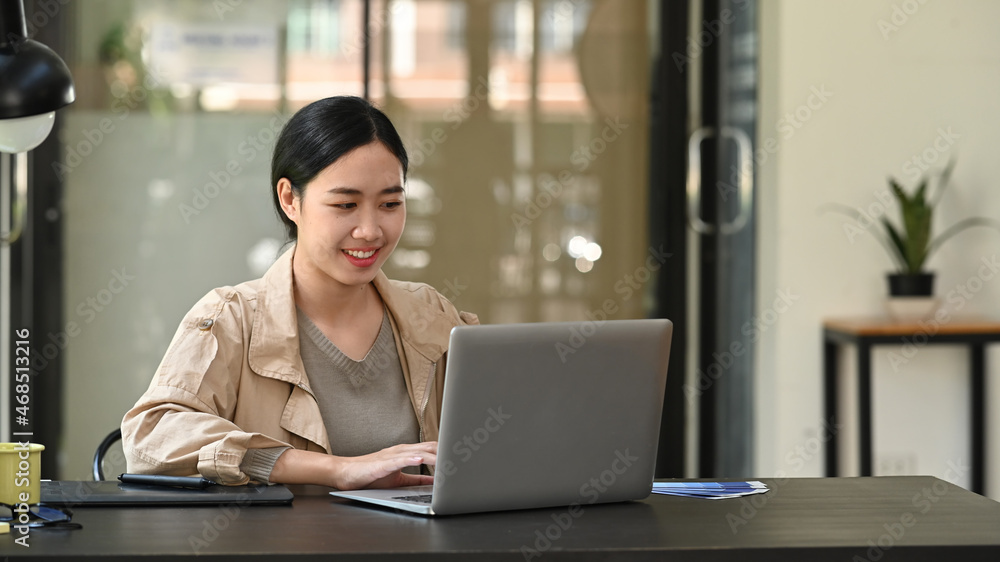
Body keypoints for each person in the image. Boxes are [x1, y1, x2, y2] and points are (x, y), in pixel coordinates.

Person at [121, 96, 478, 489]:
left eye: (390, 203)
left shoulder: (430, 315)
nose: (371, 230)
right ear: (290, 198)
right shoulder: (232, 319)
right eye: (345, 205)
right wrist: (335, 470)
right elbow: (150, 438)